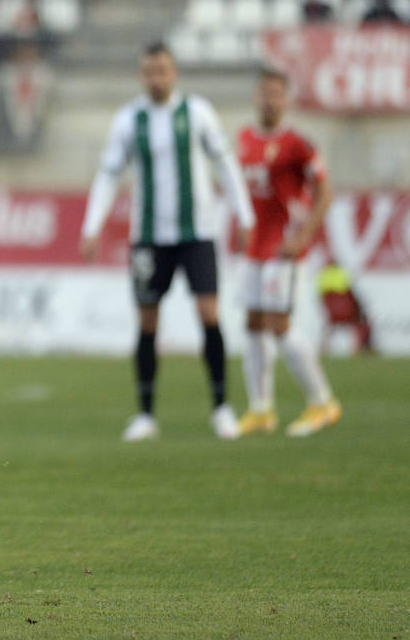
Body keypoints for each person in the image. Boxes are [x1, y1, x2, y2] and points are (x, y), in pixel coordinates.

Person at [80, 41, 255, 442]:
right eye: (149, 71)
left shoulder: (197, 113)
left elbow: (226, 165)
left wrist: (245, 216)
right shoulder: (129, 120)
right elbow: (108, 175)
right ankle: (145, 414)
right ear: (142, 76)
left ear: (174, 73)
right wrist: (92, 225)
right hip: (149, 238)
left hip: (198, 233)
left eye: (163, 70)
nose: (156, 78)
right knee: (146, 322)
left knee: (209, 315)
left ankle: (222, 408)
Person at [235, 68, 341, 438]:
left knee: (280, 326)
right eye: (264, 92)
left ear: (287, 99)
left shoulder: (299, 144)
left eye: (277, 94)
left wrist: (303, 237)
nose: (269, 100)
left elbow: (325, 193)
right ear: (255, 97)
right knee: (252, 324)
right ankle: (261, 409)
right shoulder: (243, 138)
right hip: (253, 248)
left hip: (283, 248)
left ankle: (322, 401)